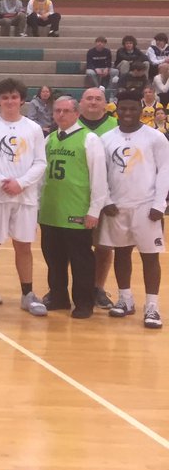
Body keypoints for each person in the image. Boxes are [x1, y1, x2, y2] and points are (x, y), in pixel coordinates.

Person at [0, 79, 49, 317]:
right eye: (5, 97)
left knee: (23, 246)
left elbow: (40, 162)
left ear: (22, 100)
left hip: (25, 197)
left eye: (14, 97)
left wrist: (21, 183)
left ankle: (27, 294)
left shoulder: (33, 128)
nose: (10, 101)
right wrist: (0, 181)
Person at [101, 90, 169, 329]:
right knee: (121, 254)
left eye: (132, 108)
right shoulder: (107, 139)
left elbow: (165, 170)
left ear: (141, 109)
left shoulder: (156, 138)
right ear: (116, 110)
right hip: (117, 207)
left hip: (146, 207)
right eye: (123, 109)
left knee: (150, 257)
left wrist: (159, 204)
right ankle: (125, 299)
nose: (127, 113)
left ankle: (152, 306)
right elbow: (101, 173)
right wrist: (106, 200)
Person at [39, 96, 109, 319]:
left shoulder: (89, 139)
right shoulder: (50, 139)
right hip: (51, 210)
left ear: (77, 113)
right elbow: (41, 175)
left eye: (66, 111)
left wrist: (94, 210)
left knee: (81, 260)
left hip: (77, 210)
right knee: (54, 258)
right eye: (57, 111)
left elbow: (99, 177)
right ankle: (58, 296)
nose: (61, 115)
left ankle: (84, 302)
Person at [78, 86, 120, 310]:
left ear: (105, 103)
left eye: (97, 99)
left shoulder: (116, 126)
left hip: (108, 198)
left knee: (104, 246)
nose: (93, 102)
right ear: (81, 103)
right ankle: (73, 287)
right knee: (74, 245)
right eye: (89, 98)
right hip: (76, 197)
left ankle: (98, 288)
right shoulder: (71, 124)